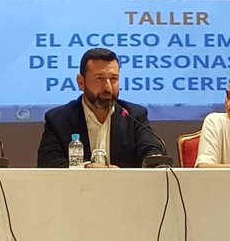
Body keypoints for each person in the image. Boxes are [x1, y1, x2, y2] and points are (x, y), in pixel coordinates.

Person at [36, 47, 165, 167]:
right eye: (99, 79)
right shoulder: (59, 119)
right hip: (77, 184)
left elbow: (151, 152)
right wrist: (88, 169)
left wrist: (153, 160)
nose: (108, 87)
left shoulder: (134, 115)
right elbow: (48, 162)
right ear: (81, 82)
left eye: (114, 79)